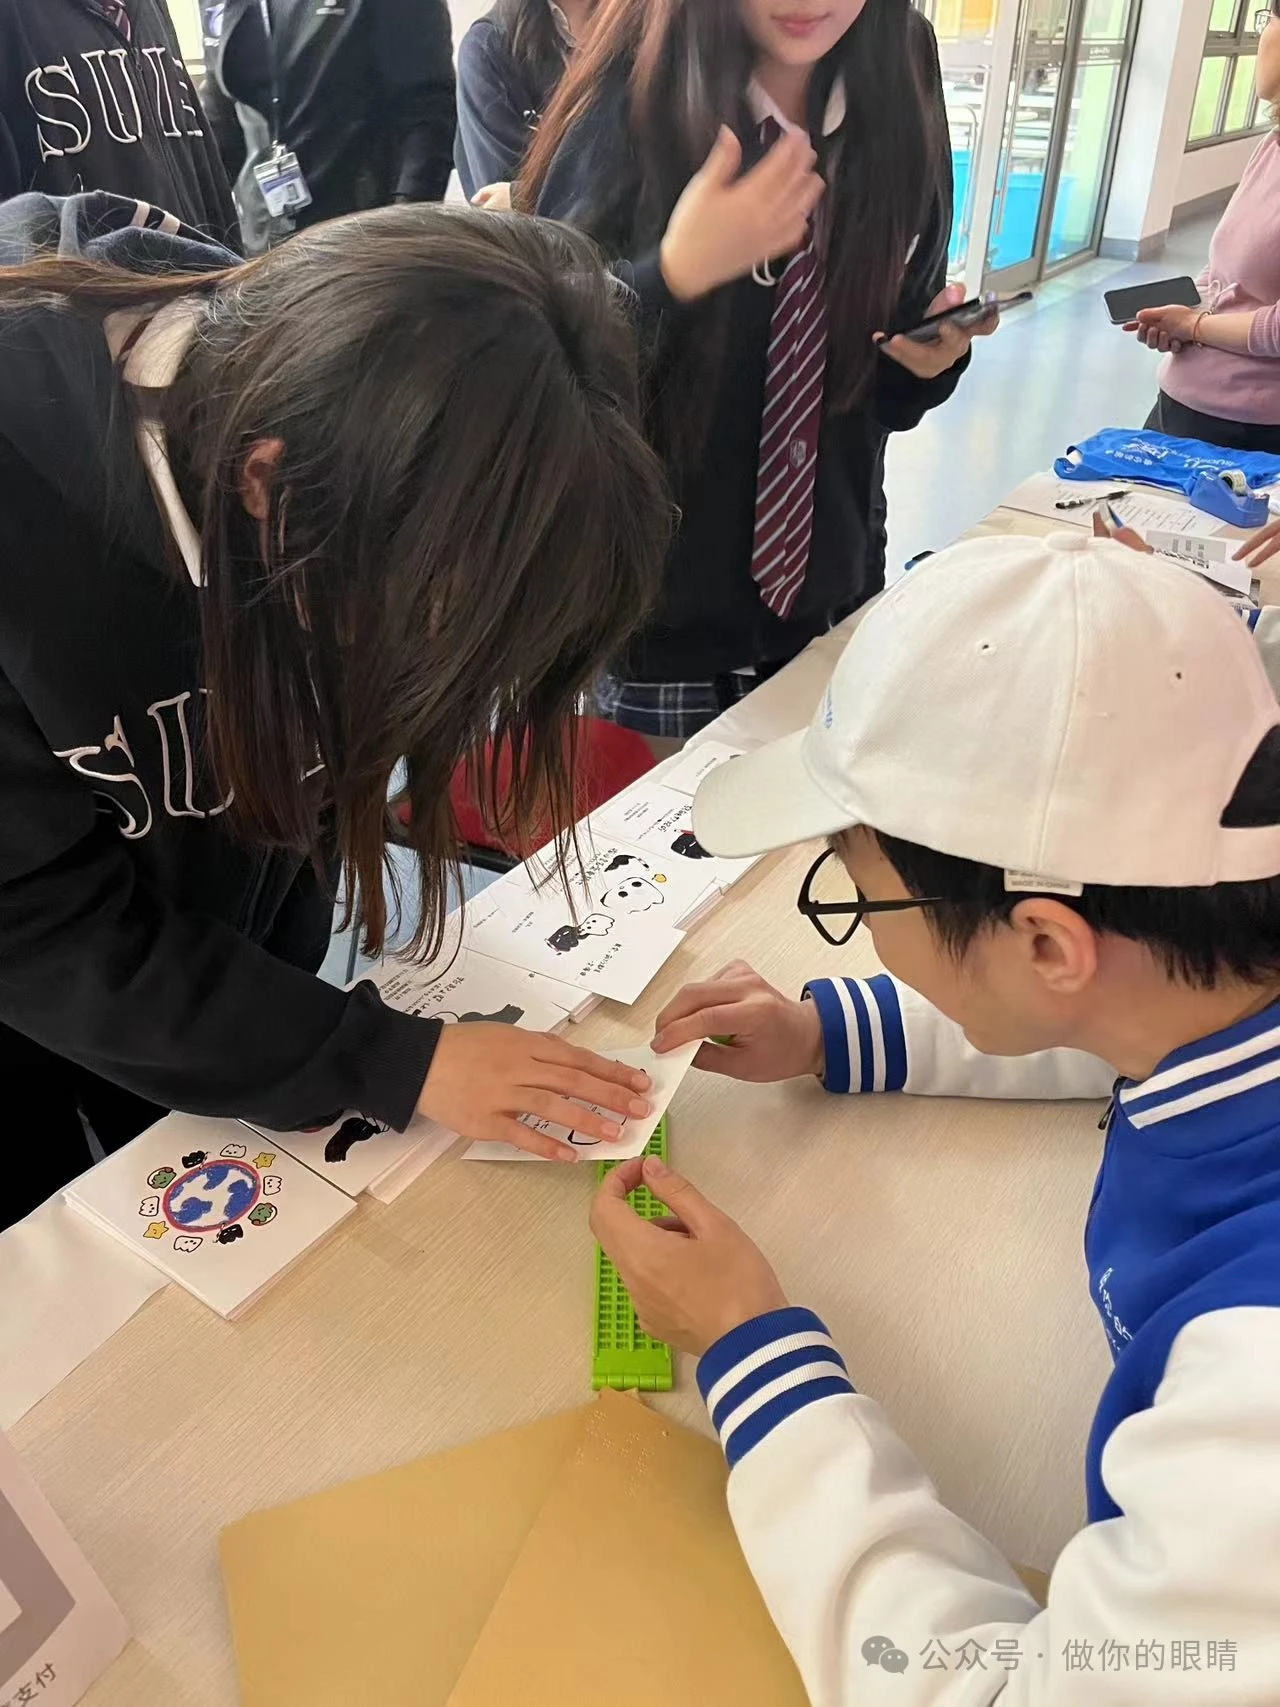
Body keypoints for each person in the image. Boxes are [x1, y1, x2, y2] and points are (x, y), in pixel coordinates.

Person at [592, 530, 1280, 1703]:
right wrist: (831, 1031)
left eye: (862, 892)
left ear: (1046, 939)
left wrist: (753, 1352)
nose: (862, 926)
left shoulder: (1250, 1398)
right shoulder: (1211, 967)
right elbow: (1122, 1015)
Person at [0, 190, 670, 1227]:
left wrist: (302, 1031)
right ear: (269, 486)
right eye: (420, 626)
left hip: (182, 967)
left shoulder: (315, 413)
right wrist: (374, 1058)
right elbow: (39, 933)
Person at [518, 0, 993, 755]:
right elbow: (535, 373)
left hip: (831, 606)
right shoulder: (630, 96)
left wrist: (924, 365)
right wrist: (671, 275)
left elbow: (878, 364)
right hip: (658, 631)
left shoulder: (899, 75)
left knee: (809, 867)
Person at [1126, 3, 1280, 459]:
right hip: (1186, 408)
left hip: (1251, 435)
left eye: (1270, 18)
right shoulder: (1271, 146)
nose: (1263, 35)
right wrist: (1185, 309)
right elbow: (1226, 273)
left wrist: (1195, 325)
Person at [206, 0, 455, 254]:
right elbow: (222, 122)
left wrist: (404, 234)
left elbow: (427, 113)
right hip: (258, 243)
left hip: (364, 237)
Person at [0, 0, 235, 241]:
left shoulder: (148, 8)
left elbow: (199, 160)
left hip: (195, 266)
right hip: (89, 274)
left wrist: (231, 266)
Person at [455, 0, 591, 206]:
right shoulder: (488, 48)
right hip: (554, 236)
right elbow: (504, 210)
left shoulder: (644, 27)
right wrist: (523, 196)